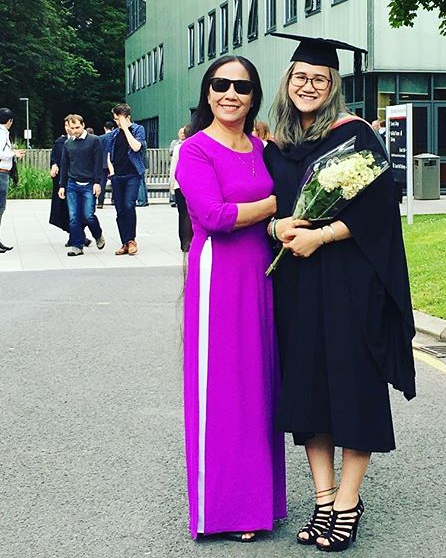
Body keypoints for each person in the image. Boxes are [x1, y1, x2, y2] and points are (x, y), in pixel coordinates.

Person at [264, 34, 416, 552]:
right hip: (297, 285)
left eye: (320, 79)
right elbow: (268, 204)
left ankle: (348, 502)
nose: (308, 86)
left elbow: (379, 211)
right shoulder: (278, 145)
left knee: (352, 386)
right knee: (308, 389)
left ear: (333, 86)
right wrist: (277, 228)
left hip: (350, 283)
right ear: (288, 81)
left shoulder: (355, 136)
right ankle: (323, 497)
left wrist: (322, 235)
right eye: (300, 77)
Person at [175, 56, 286, 542]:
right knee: (222, 387)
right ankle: (225, 510)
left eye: (242, 87)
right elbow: (215, 216)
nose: (230, 95)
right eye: (221, 85)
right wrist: (274, 204)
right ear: (207, 92)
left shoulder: (263, 148)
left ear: (253, 96)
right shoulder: (195, 150)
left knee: (258, 386)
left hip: (262, 276)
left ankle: (258, 504)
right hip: (218, 277)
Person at [58, 114, 105, 256]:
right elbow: (64, 165)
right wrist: (62, 185)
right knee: (73, 217)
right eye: (72, 128)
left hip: (89, 183)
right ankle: (77, 245)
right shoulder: (68, 143)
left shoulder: (94, 141)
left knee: (88, 215)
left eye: (77, 127)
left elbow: (98, 163)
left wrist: (97, 182)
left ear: (83, 125)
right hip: (72, 183)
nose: (74, 131)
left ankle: (97, 234)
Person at [107, 103, 146, 255]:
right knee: (120, 209)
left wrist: (125, 128)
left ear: (127, 117)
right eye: (115, 119)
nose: (117, 122)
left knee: (129, 205)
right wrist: (112, 172)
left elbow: (136, 147)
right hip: (117, 175)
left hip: (133, 174)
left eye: (119, 119)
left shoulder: (138, 129)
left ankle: (131, 241)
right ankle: (124, 242)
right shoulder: (114, 134)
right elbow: (109, 153)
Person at [49, 121, 92, 247]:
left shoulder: (87, 141)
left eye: (72, 126)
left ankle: (78, 236)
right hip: (64, 181)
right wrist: (54, 165)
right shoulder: (60, 142)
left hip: (81, 180)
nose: (69, 129)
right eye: (67, 126)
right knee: (68, 211)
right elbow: (54, 157)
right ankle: (76, 236)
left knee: (83, 211)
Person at [0, 108, 25, 253]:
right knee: (0, 207)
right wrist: (13, 153)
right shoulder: (2, 133)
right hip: (1, 172)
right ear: (10, 121)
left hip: (3, 173)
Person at [169, 123, 194, 255]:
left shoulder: (178, 148)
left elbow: (173, 168)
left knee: (182, 214)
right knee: (192, 214)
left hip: (179, 185)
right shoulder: (197, 147)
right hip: (193, 186)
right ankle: (193, 240)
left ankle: (184, 242)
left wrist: (172, 186)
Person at [97, 122, 114, 208]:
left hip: (103, 163)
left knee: (102, 183)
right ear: (113, 128)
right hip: (113, 163)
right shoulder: (114, 137)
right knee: (115, 182)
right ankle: (114, 200)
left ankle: (100, 202)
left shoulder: (100, 138)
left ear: (104, 128)